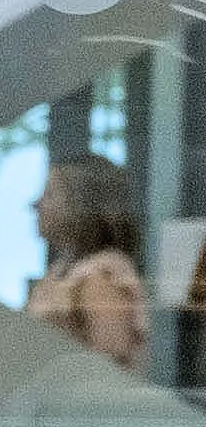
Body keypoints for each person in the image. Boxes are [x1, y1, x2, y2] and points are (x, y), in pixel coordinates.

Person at [29, 152, 151, 374]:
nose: (36, 204)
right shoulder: (64, 270)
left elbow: (110, 368)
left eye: (50, 195)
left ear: (79, 204)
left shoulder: (102, 276)